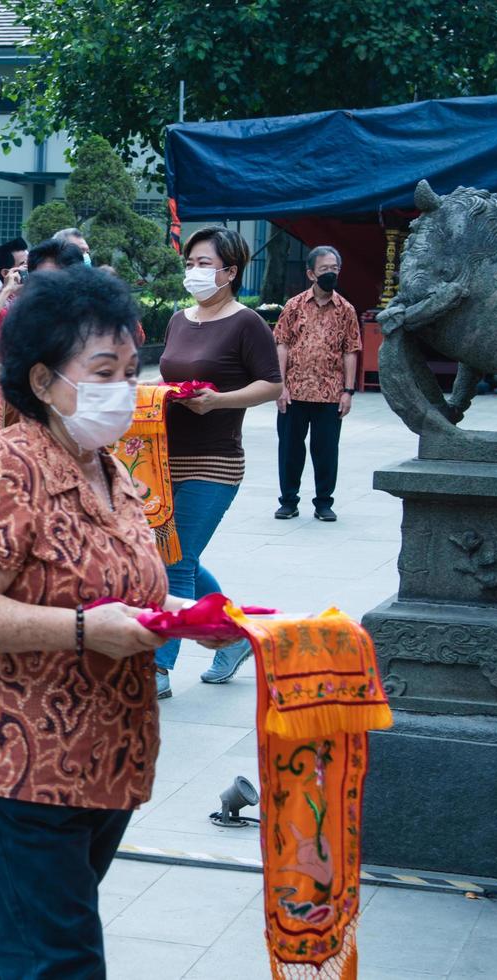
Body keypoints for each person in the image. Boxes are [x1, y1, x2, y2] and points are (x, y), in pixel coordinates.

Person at [0, 266, 231, 977]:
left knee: (18, 942)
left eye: (131, 370)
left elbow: (121, 584)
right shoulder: (8, 468)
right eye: (102, 372)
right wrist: (83, 631)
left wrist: (188, 620)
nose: (124, 389)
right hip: (15, 752)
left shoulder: (109, 466)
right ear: (41, 381)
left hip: (101, 753)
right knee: (60, 957)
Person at [155, 226, 283, 698]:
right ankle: (234, 635)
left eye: (205, 264)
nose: (194, 272)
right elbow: (168, 372)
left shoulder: (247, 323)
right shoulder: (177, 319)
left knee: (175, 559)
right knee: (177, 556)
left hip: (215, 460)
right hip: (164, 459)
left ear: (230, 272)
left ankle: (159, 665)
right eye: (190, 263)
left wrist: (221, 400)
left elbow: (272, 384)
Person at [274, 245, 360, 523]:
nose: (330, 274)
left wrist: (348, 391)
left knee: (326, 452)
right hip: (294, 391)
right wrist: (280, 386)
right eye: (325, 270)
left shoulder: (346, 310)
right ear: (311, 273)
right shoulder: (294, 306)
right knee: (289, 449)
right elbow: (282, 345)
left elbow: (350, 350)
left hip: (330, 394)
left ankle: (324, 502)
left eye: (334, 269)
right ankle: (288, 501)